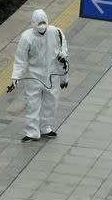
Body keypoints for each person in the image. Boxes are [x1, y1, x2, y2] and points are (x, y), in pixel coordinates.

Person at [10, 9, 68, 142]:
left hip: (52, 75)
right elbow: (20, 59)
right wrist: (15, 77)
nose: (42, 26)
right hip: (34, 76)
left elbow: (63, 49)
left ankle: (45, 127)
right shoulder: (26, 37)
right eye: (39, 23)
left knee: (51, 103)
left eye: (43, 22)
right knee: (32, 104)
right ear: (33, 23)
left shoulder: (56, 32)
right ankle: (32, 132)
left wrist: (64, 76)